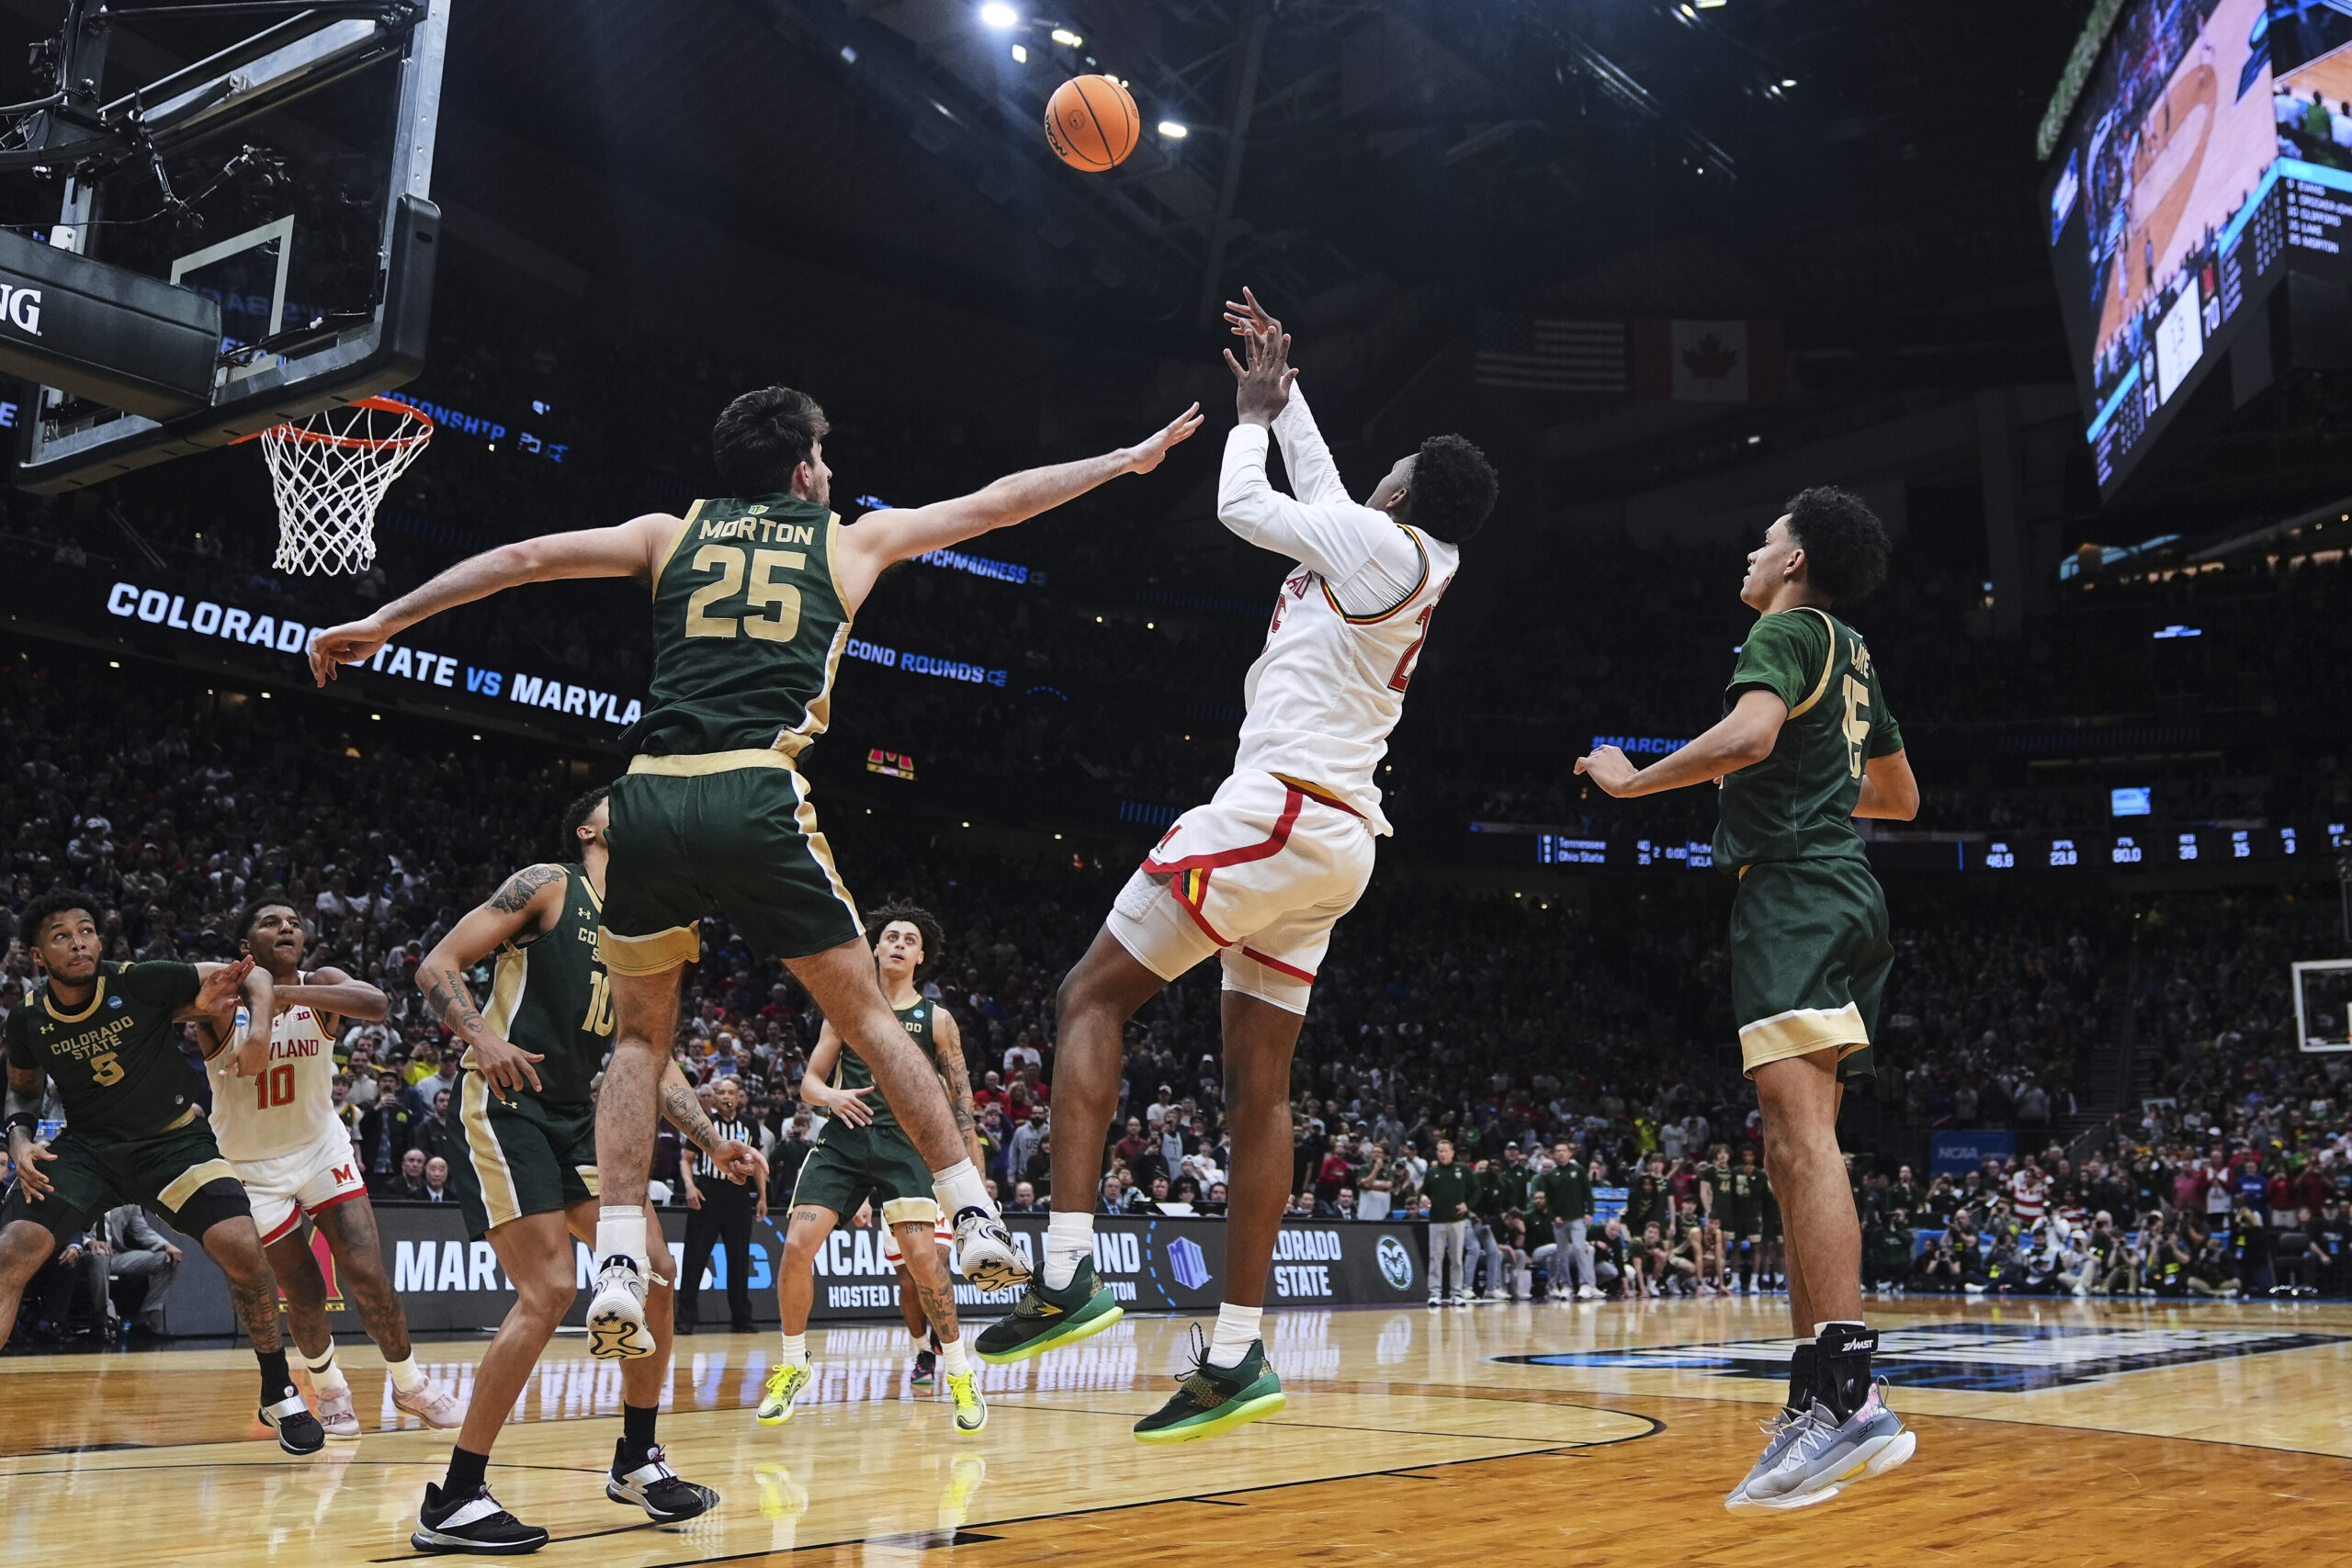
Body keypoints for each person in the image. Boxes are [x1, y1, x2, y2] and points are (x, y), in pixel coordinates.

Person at [311, 387, 1200, 1359]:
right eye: (827, 455)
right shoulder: (850, 541)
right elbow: (996, 505)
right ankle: (973, 1213)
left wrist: (386, 618)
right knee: (867, 1015)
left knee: (640, 1041)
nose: (833, 470)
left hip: (648, 795)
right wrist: (1124, 459)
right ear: (805, 467)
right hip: (754, 785)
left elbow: (522, 559)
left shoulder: (667, 533)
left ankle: (619, 1261)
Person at [981, 289, 1498, 1445]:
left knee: (1087, 995)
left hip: (1281, 809)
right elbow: (1325, 489)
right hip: (1335, 843)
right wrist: (1285, 388)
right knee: (1256, 1094)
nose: (1374, 475)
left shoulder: (1380, 544)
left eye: (1392, 469)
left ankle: (1065, 1272)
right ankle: (1233, 1352)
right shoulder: (1404, 551)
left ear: (1404, 493)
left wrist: (1249, 417)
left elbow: (1246, 504)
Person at [1577, 486, 1920, 1510]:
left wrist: (1632, 781)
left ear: (1795, 561)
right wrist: (1808, 782)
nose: (1751, 554)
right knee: (1791, 1148)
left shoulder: (1784, 632)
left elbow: (1747, 738)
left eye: (1765, 542)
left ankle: (1851, 1396)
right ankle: (1820, 1397)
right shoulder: (1852, 652)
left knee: (1800, 1143)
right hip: (1842, 891)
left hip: (1795, 895)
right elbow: (1899, 796)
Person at [409, 789, 756, 1552]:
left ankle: (637, 1458)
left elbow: (647, 1056)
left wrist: (709, 1139)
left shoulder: (643, 927)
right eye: (622, 803)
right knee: (552, 1288)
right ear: (590, 828)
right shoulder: (549, 883)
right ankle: (454, 1498)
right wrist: (481, 1037)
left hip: (578, 1117)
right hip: (505, 1102)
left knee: (656, 1272)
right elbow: (438, 964)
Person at [1, 890, 326, 1453]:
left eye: (86, 930)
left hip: (172, 1142)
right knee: (12, 1252)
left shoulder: (139, 979)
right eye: (61, 936)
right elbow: (23, 1091)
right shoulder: (28, 1018)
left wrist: (257, 1034)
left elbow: (251, 975)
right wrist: (20, 1139)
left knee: (242, 1247)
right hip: (89, 1150)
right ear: (37, 955)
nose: (78, 943)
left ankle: (277, 1388)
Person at [192, 897, 465, 1439]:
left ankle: (409, 1384)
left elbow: (377, 1003)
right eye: (270, 922)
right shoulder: (220, 1001)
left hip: (322, 1151)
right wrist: (255, 993)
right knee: (305, 1290)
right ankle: (329, 1385)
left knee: (369, 1276)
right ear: (246, 945)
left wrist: (282, 993)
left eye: (294, 923)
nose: (286, 928)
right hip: (252, 1169)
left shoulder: (322, 984)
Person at [759, 903, 987, 1437]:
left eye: (910, 939)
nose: (900, 943)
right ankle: (793, 1364)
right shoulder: (846, 1007)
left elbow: (962, 1106)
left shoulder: (937, 1019)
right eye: (891, 936)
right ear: (876, 949)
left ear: (921, 956)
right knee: (796, 1247)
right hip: (844, 1142)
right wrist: (831, 1097)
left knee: (925, 1263)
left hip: (906, 1148)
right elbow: (810, 1083)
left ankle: (959, 1371)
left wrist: (974, 1185)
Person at [678, 1077, 763, 1335]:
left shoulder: (750, 1124)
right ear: (714, 1098)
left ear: (739, 1097)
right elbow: (686, 1160)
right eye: (722, 1092)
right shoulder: (706, 1124)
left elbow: (758, 1164)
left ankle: (741, 1319)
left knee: (739, 1257)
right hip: (708, 1193)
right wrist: (690, 1187)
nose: (726, 1096)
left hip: (739, 1195)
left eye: (731, 1092)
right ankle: (685, 1320)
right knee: (695, 1256)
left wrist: (763, 1197)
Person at [1419, 1139, 1475, 1306]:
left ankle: (1456, 1293)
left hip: (1457, 1220)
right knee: (1436, 1257)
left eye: (1445, 1151)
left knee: (1456, 1258)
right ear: (1437, 1153)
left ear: (1452, 1153)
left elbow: (1476, 1189)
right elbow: (1424, 1191)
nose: (1442, 1154)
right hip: (1436, 1220)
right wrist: (1423, 1198)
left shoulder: (1463, 1170)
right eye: (1440, 1151)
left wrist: (1468, 1205)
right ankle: (1435, 1293)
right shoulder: (1432, 1172)